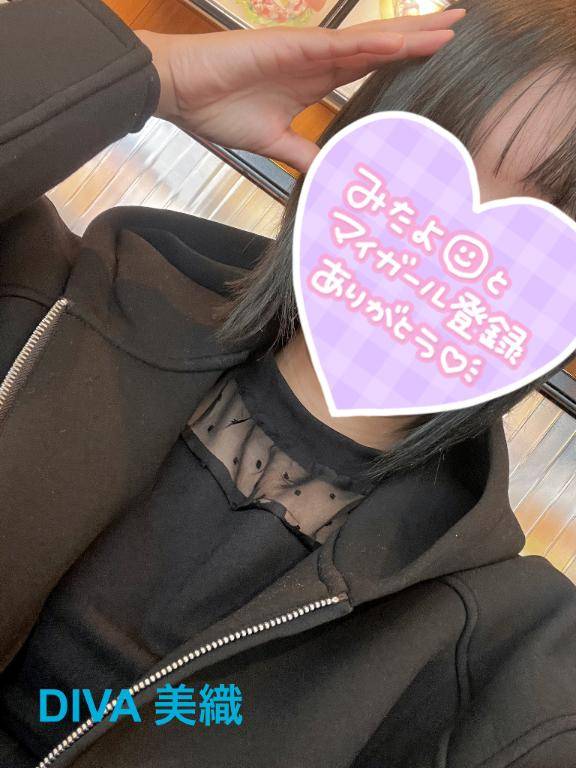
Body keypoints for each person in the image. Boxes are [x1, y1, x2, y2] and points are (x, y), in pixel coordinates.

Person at [0, 0, 574, 766]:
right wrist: (154, 72)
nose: (455, 245)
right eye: (446, 154)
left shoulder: (506, 653)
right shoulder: (40, 290)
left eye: (554, 218)